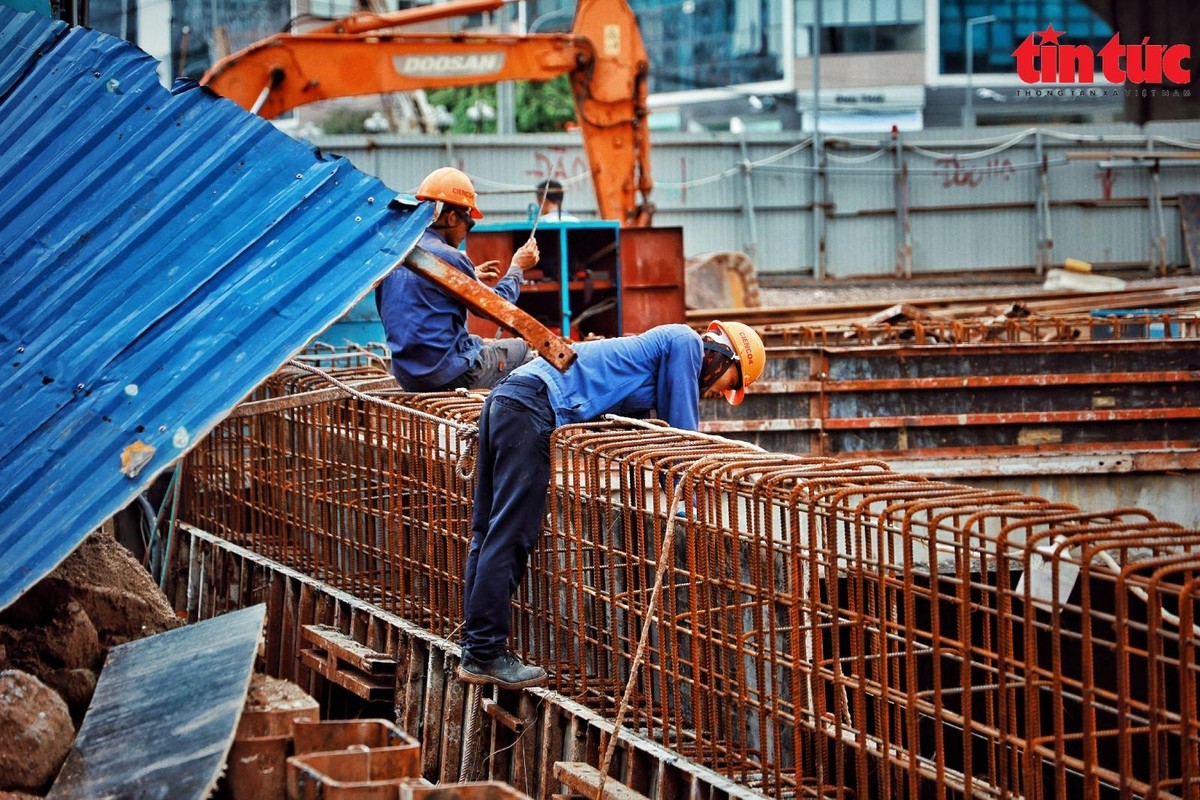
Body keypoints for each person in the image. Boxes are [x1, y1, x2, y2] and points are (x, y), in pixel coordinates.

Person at [457, 320, 767, 689]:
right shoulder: (686, 343)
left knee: (489, 531)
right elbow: (682, 436)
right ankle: (483, 653)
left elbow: (642, 423)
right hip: (530, 405)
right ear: (723, 357)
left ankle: (476, 645)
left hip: (512, 398)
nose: (719, 392)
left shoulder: (655, 360)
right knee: (510, 536)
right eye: (730, 383)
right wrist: (687, 503)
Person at [379, 167, 540, 392]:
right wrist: (517, 268)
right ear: (452, 216)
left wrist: (470, 275)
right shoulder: (450, 257)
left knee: (480, 342)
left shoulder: (399, 254)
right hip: (447, 374)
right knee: (520, 350)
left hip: (407, 375)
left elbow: (421, 294)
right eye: (469, 221)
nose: (467, 231)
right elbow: (497, 309)